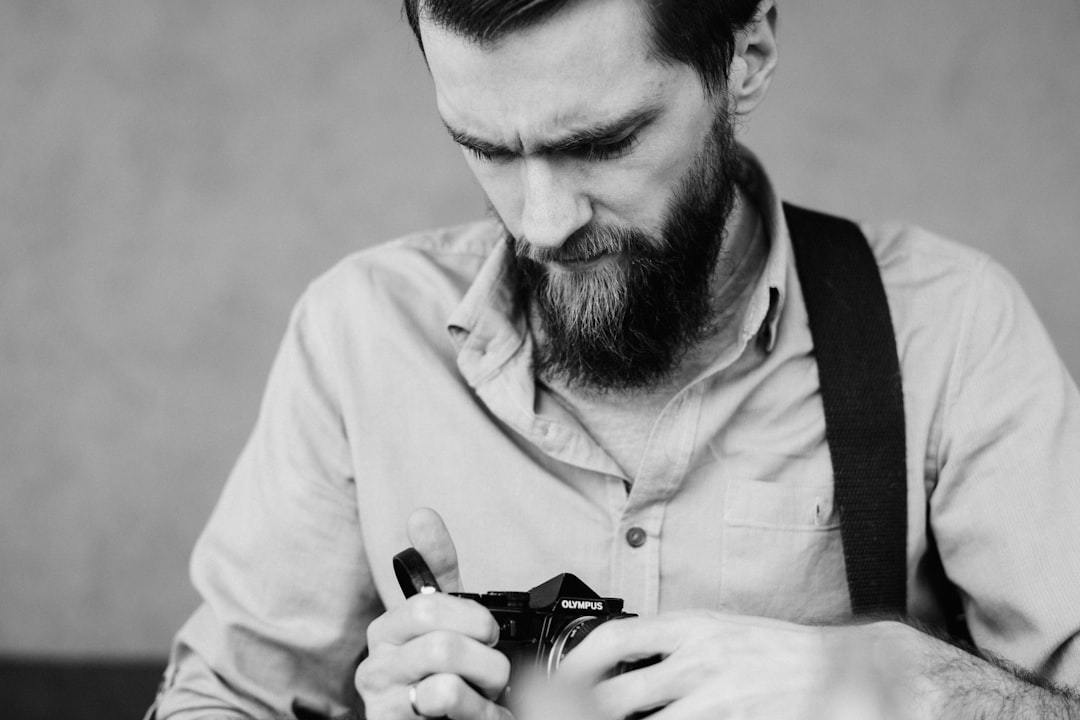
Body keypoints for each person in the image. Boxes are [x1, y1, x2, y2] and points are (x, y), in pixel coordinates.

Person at [152, 1, 1080, 718]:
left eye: (601, 143)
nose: (542, 222)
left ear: (744, 58)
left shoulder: (950, 327)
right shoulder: (358, 331)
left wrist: (906, 690)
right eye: (485, 149)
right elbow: (218, 699)